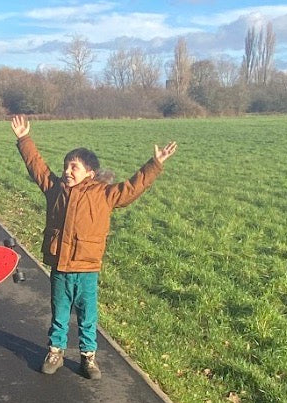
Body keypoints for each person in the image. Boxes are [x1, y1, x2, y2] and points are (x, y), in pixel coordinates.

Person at [10, 114, 177, 380]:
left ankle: (88, 357)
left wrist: (154, 164)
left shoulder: (104, 194)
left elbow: (133, 187)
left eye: (73, 167)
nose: (67, 171)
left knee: (88, 315)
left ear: (90, 173)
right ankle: (55, 351)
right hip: (61, 267)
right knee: (59, 313)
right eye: (66, 165)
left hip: (87, 269)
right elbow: (37, 166)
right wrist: (23, 139)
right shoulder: (55, 189)